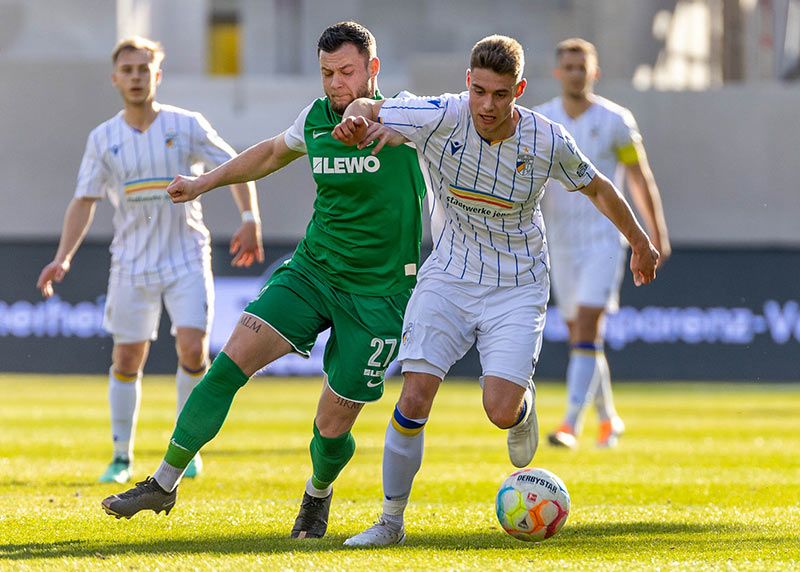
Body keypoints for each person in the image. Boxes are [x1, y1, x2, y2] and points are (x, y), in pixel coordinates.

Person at [329, 34, 659, 547]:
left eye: (500, 94)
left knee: (499, 409)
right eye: (479, 91)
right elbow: (374, 104)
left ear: (519, 90)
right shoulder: (440, 113)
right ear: (468, 83)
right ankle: (390, 523)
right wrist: (356, 115)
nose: (487, 105)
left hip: (518, 283)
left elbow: (597, 185)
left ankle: (521, 411)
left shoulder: (546, 139)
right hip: (449, 273)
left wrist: (639, 241)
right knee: (415, 394)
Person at [100, 21, 427, 540]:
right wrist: (204, 182)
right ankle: (164, 481)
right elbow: (272, 153)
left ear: (373, 70)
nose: (336, 84)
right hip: (313, 271)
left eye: (347, 72)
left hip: (379, 295)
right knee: (229, 362)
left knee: (331, 424)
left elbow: (370, 110)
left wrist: (365, 112)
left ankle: (317, 494)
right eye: (327, 73)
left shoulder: (411, 117)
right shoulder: (315, 120)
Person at [36, 36, 263, 485]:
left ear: (158, 75)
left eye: (145, 69)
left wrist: (250, 217)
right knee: (126, 358)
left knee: (193, 350)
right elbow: (84, 201)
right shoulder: (103, 138)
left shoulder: (187, 124)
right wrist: (62, 258)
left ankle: (187, 447)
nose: (137, 77)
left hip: (186, 254)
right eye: (129, 70)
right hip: (132, 262)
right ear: (115, 78)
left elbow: (237, 165)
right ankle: (121, 456)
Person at [536, 38, 671, 450]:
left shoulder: (616, 120)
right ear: (558, 72)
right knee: (581, 333)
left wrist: (655, 233)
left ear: (594, 72)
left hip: (602, 240)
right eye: (569, 66)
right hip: (559, 240)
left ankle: (570, 424)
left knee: (589, 327)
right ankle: (609, 420)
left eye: (583, 67)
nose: (576, 73)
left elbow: (638, 177)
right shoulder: (541, 120)